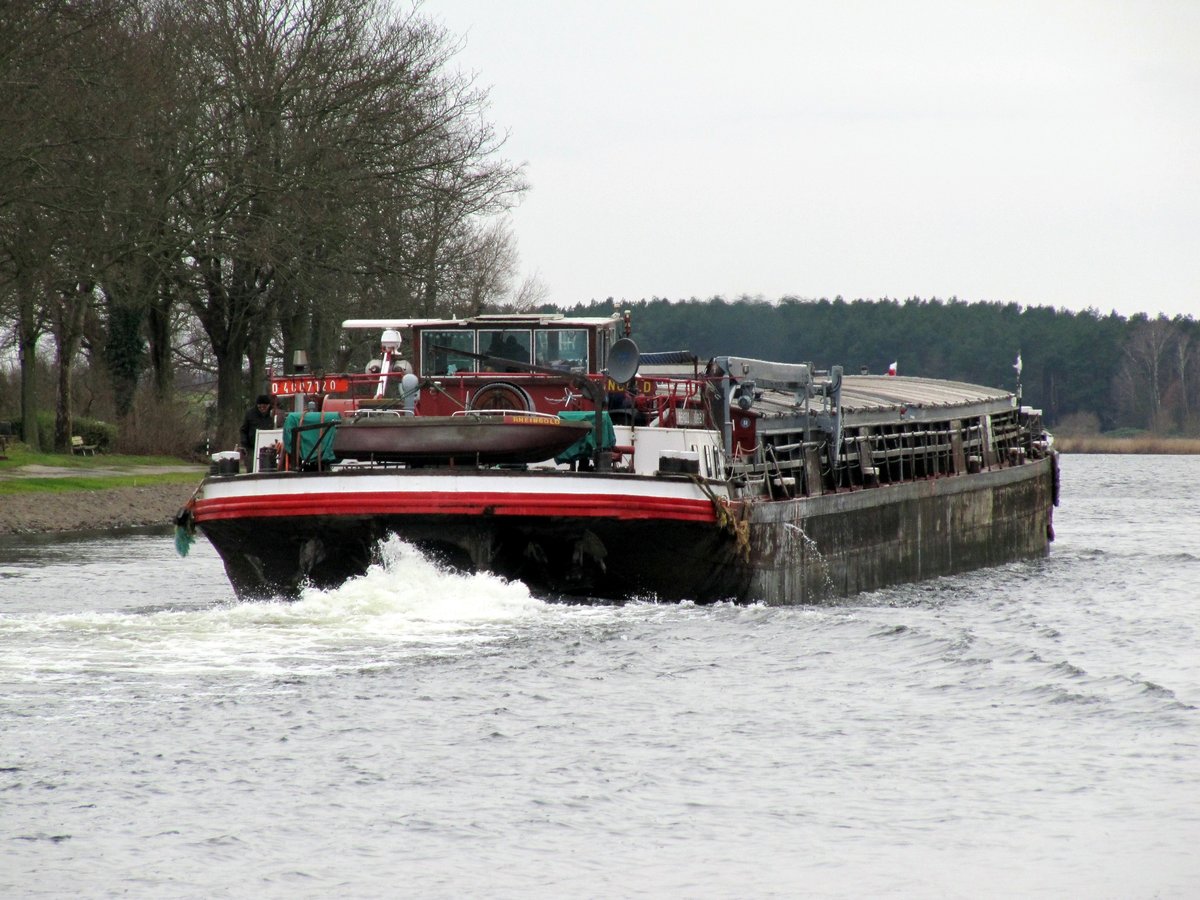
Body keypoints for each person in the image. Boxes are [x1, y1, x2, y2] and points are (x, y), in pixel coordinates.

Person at [240, 394, 275, 462]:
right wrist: (244, 444)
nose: (262, 409)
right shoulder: (250, 414)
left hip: (270, 447)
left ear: (268, 405)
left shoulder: (273, 414)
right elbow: (243, 430)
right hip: (252, 447)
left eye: (264, 407)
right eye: (260, 407)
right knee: (251, 467)